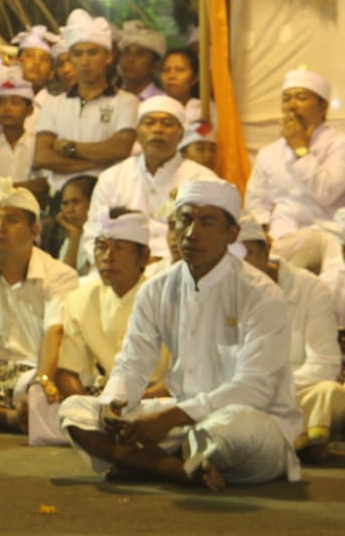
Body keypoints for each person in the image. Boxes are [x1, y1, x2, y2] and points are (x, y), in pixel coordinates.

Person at [57, 179, 304, 491]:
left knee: (227, 428)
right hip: (178, 419)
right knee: (75, 410)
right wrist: (114, 403)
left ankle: (145, 462)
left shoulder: (261, 294)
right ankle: (177, 470)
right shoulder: (157, 289)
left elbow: (253, 390)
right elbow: (132, 364)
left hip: (253, 426)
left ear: (232, 234)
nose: (191, 233)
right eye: (184, 220)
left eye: (207, 222)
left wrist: (171, 418)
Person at [0, 177, 79, 434]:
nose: (0, 228)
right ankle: (9, 418)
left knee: (68, 382)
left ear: (34, 231)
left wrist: (43, 381)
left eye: (11, 221)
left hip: (28, 374)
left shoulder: (59, 274)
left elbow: (54, 331)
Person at [235, 214, 343, 464]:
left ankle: (277, 439)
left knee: (329, 393)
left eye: (247, 254)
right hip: (245, 394)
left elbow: (324, 365)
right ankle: (300, 439)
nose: (241, 266)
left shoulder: (311, 289)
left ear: (267, 249)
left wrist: (271, 390)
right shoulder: (225, 288)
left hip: (299, 391)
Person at [81, 96, 218, 263]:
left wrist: (164, 264)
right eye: (149, 123)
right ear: (137, 134)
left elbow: (214, 238)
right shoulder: (112, 178)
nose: (158, 129)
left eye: (167, 124)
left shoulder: (203, 180)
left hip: (181, 269)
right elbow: (93, 235)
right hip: (123, 270)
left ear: (181, 134)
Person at [54, 210, 167, 402]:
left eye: (120, 248)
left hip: (158, 398)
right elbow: (67, 371)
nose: (108, 257)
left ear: (143, 256)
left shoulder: (167, 300)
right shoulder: (80, 300)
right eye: (101, 247)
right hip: (106, 398)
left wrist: (130, 404)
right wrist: (90, 407)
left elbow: (183, 377)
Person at [34, 10, 139, 197]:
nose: (84, 61)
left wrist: (68, 148)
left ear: (108, 57)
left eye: (92, 52)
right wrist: (100, 160)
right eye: (77, 54)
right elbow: (42, 156)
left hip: (109, 196)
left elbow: (121, 148)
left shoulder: (126, 101)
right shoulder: (53, 103)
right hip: (62, 199)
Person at [246, 67, 345, 241]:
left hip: (326, 237)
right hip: (277, 239)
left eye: (301, 98)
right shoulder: (268, 153)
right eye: (286, 99)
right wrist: (262, 236)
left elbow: (326, 193)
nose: (292, 106)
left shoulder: (339, 144)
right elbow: (256, 204)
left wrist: (300, 148)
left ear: (323, 106)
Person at [0, 72, 47, 207]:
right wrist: (25, 188)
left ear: (30, 111)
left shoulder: (38, 145)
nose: (7, 108)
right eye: (1, 103)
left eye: (15, 103)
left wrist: (2, 189)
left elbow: (44, 185)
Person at [51, 175, 97, 274]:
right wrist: (74, 235)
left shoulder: (102, 236)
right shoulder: (71, 236)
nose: (69, 210)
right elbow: (65, 280)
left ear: (92, 202)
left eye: (75, 202)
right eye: (65, 204)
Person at [156, 47, 210, 124]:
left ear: (194, 78)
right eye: (166, 70)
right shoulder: (152, 106)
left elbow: (206, 134)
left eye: (179, 70)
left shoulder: (205, 109)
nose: (171, 76)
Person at [115, 21, 166, 100]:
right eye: (126, 52)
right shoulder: (112, 97)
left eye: (140, 54)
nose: (130, 59)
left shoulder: (162, 101)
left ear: (155, 65)